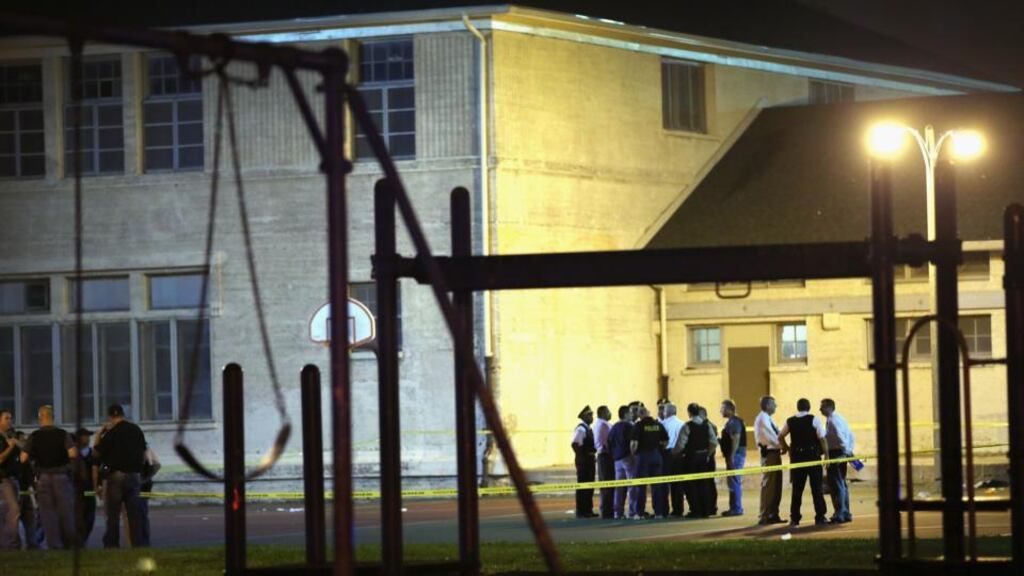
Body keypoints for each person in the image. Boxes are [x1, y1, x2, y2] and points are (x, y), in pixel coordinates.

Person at [20, 405, 77, 549]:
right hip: (61, 476)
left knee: (48, 514)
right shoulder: (63, 434)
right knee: (66, 512)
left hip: (43, 477)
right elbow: (73, 453)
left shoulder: (34, 436)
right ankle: (69, 544)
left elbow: (23, 458)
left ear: (40, 418)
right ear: (53, 417)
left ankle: (54, 546)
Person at [93, 404, 148, 547]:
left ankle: (112, 545)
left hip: (116, 476)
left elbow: (96, 453)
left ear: (110, 417)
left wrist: (99, 434)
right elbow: (143, 454)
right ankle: (137, 544)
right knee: (134, 515)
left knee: (113, 514)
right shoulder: (136, 430)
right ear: (123, 415)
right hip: (134, 475)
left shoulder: (111, 433)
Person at [778, 398, 829, 527]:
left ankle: (794, 518)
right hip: (813, 458)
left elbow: (780, 436)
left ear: (798, 407)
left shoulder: (790, 421)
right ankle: (820, 517)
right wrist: (827, 456)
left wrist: (786, 448)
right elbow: (822, 439)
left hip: (797, 459)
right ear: (809, 407)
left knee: (797, 490)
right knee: (816, 489)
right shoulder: (814, 419)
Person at [675, 403, 717, 518]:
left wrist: (675, 454)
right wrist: (708, 454)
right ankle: (706, 510)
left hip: (690, 459)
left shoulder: (687, 426)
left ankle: (695, 510)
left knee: (690, 485)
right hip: (703, 458)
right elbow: (714, 442)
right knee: (704, 484)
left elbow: (680, 445)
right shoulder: (707, 425)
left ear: (689, 413)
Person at [630, 406, 668, 519]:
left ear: (639, 414)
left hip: (643, 457)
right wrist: (659, 449)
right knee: (657, 486)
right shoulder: (658, 425)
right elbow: (665, 441)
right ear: (648, 412)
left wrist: (634, 454)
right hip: (656, 456)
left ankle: (640, 513)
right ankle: (658, 512)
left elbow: (634, 444)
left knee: (641, 486)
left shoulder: (639, 425)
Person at [820, 398, 854, 523]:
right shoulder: (840, 418)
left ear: (830, 407)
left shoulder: (832, 421)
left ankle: (839, 514)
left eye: (822, 407)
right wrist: (848, 450)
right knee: (842, 483)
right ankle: (845, 512)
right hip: (841, 452)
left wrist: (845, 452)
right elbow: (851, 435)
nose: (820, 409)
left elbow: (841, 437)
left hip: (836, 453)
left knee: (836, 485)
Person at [754, 395, 786, 525]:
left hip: (774, 453)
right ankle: (765, 515)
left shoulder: (767, 418)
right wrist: (784, 446)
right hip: (770, 454)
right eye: (773, 404)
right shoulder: (762, 418)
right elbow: (772, 437)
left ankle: (773, 513)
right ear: (767, 406)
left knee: (776, 485)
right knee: (770, 485)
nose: (775, 406)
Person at [607, 405, 637, 519]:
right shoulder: (629, 426)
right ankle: (632, 511)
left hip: (617, 460)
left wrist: (614, 455)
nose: (632, 414)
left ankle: (618, 512)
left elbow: (609, 442)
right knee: (632, 486)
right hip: (628, 458)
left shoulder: (614, 427)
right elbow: (633, 442)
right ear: (625, 414)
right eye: (630, 412)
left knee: (619, 487)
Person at [14, 431, 43, 549]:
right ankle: (14, 545)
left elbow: (30, 474)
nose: (25, 443)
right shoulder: (15, 456)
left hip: (26, 490)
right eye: (22, 440)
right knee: (13, 519)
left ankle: (32, 543)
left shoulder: (27, 457)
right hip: (16, 490)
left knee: (30, 518)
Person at [719, 399, 747, 516]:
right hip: (734, 455)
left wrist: (731, 455)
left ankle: (737, 508)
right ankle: (734, 507)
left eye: (722, 408)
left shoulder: (734, 422)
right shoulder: (732, 422)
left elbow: (736, 439)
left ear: (730, 409)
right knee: (733, 482)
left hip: (736, 455)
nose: (720, 411)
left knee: (734, 481)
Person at [570, 405, 597, 518]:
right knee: (583, 485)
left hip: (589, 461)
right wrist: (583, 457)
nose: (592, 417)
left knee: (589, 485)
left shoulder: (588, 429)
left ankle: (588, 509)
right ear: (584, 417)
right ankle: (581, 510)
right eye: (590, 415)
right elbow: (575, 444)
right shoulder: (581, 429)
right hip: (584, 462)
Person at [658, 403, 685, 517]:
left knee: (664, 483)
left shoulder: (663, 424)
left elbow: (661, 441)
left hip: (666, 454)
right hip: (679, 455)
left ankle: (664, 509)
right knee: (678, 484)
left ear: (667, 412)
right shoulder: (682, 423)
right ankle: (678, 509)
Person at [0, 409, 21, 549]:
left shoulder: (9, 436)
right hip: (4, 479)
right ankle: (9, 544)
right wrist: (11, 446)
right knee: (13, 509)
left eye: (10, 418)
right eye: (6, 418)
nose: (10, 421)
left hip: (13, 478)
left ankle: (12, 543)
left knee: (8, 511)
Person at [73, 427, 97, 545]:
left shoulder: (92, 454)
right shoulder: (73, 454)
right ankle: (79, 541)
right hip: (76, 490)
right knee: (78, 516)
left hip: (90, 489)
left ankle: (83, 540)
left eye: (88, 436)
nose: (87, 438)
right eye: (85, 436)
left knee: (90, 516)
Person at [136, 444, 161, 546]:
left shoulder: (142, 448)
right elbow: (157, 465)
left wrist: (143, 479)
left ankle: (142, 542)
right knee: (142, 514)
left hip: (140, 486)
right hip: (143, 485)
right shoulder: (144, 447)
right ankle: (143, 541)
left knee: (140, 515)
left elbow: (156, 465)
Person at [593, 406, 614, 519]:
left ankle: (605, 510)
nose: (610, 413)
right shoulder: (604, 425)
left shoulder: (597, 424)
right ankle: (607, 511)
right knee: (608, 484)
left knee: (604, 484)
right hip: (606, 456)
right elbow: (607, 442)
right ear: (603, 413)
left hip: (602, 456)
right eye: (608, 411)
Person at [699, 406, 719, 516]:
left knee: (707, 483)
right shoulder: (711, 425)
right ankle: (711, 507)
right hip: (709, 457)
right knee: (709, 483)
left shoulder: (708, 426)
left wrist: (707, 455)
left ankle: (709, 507)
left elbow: (713, 443)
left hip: (708, 458)